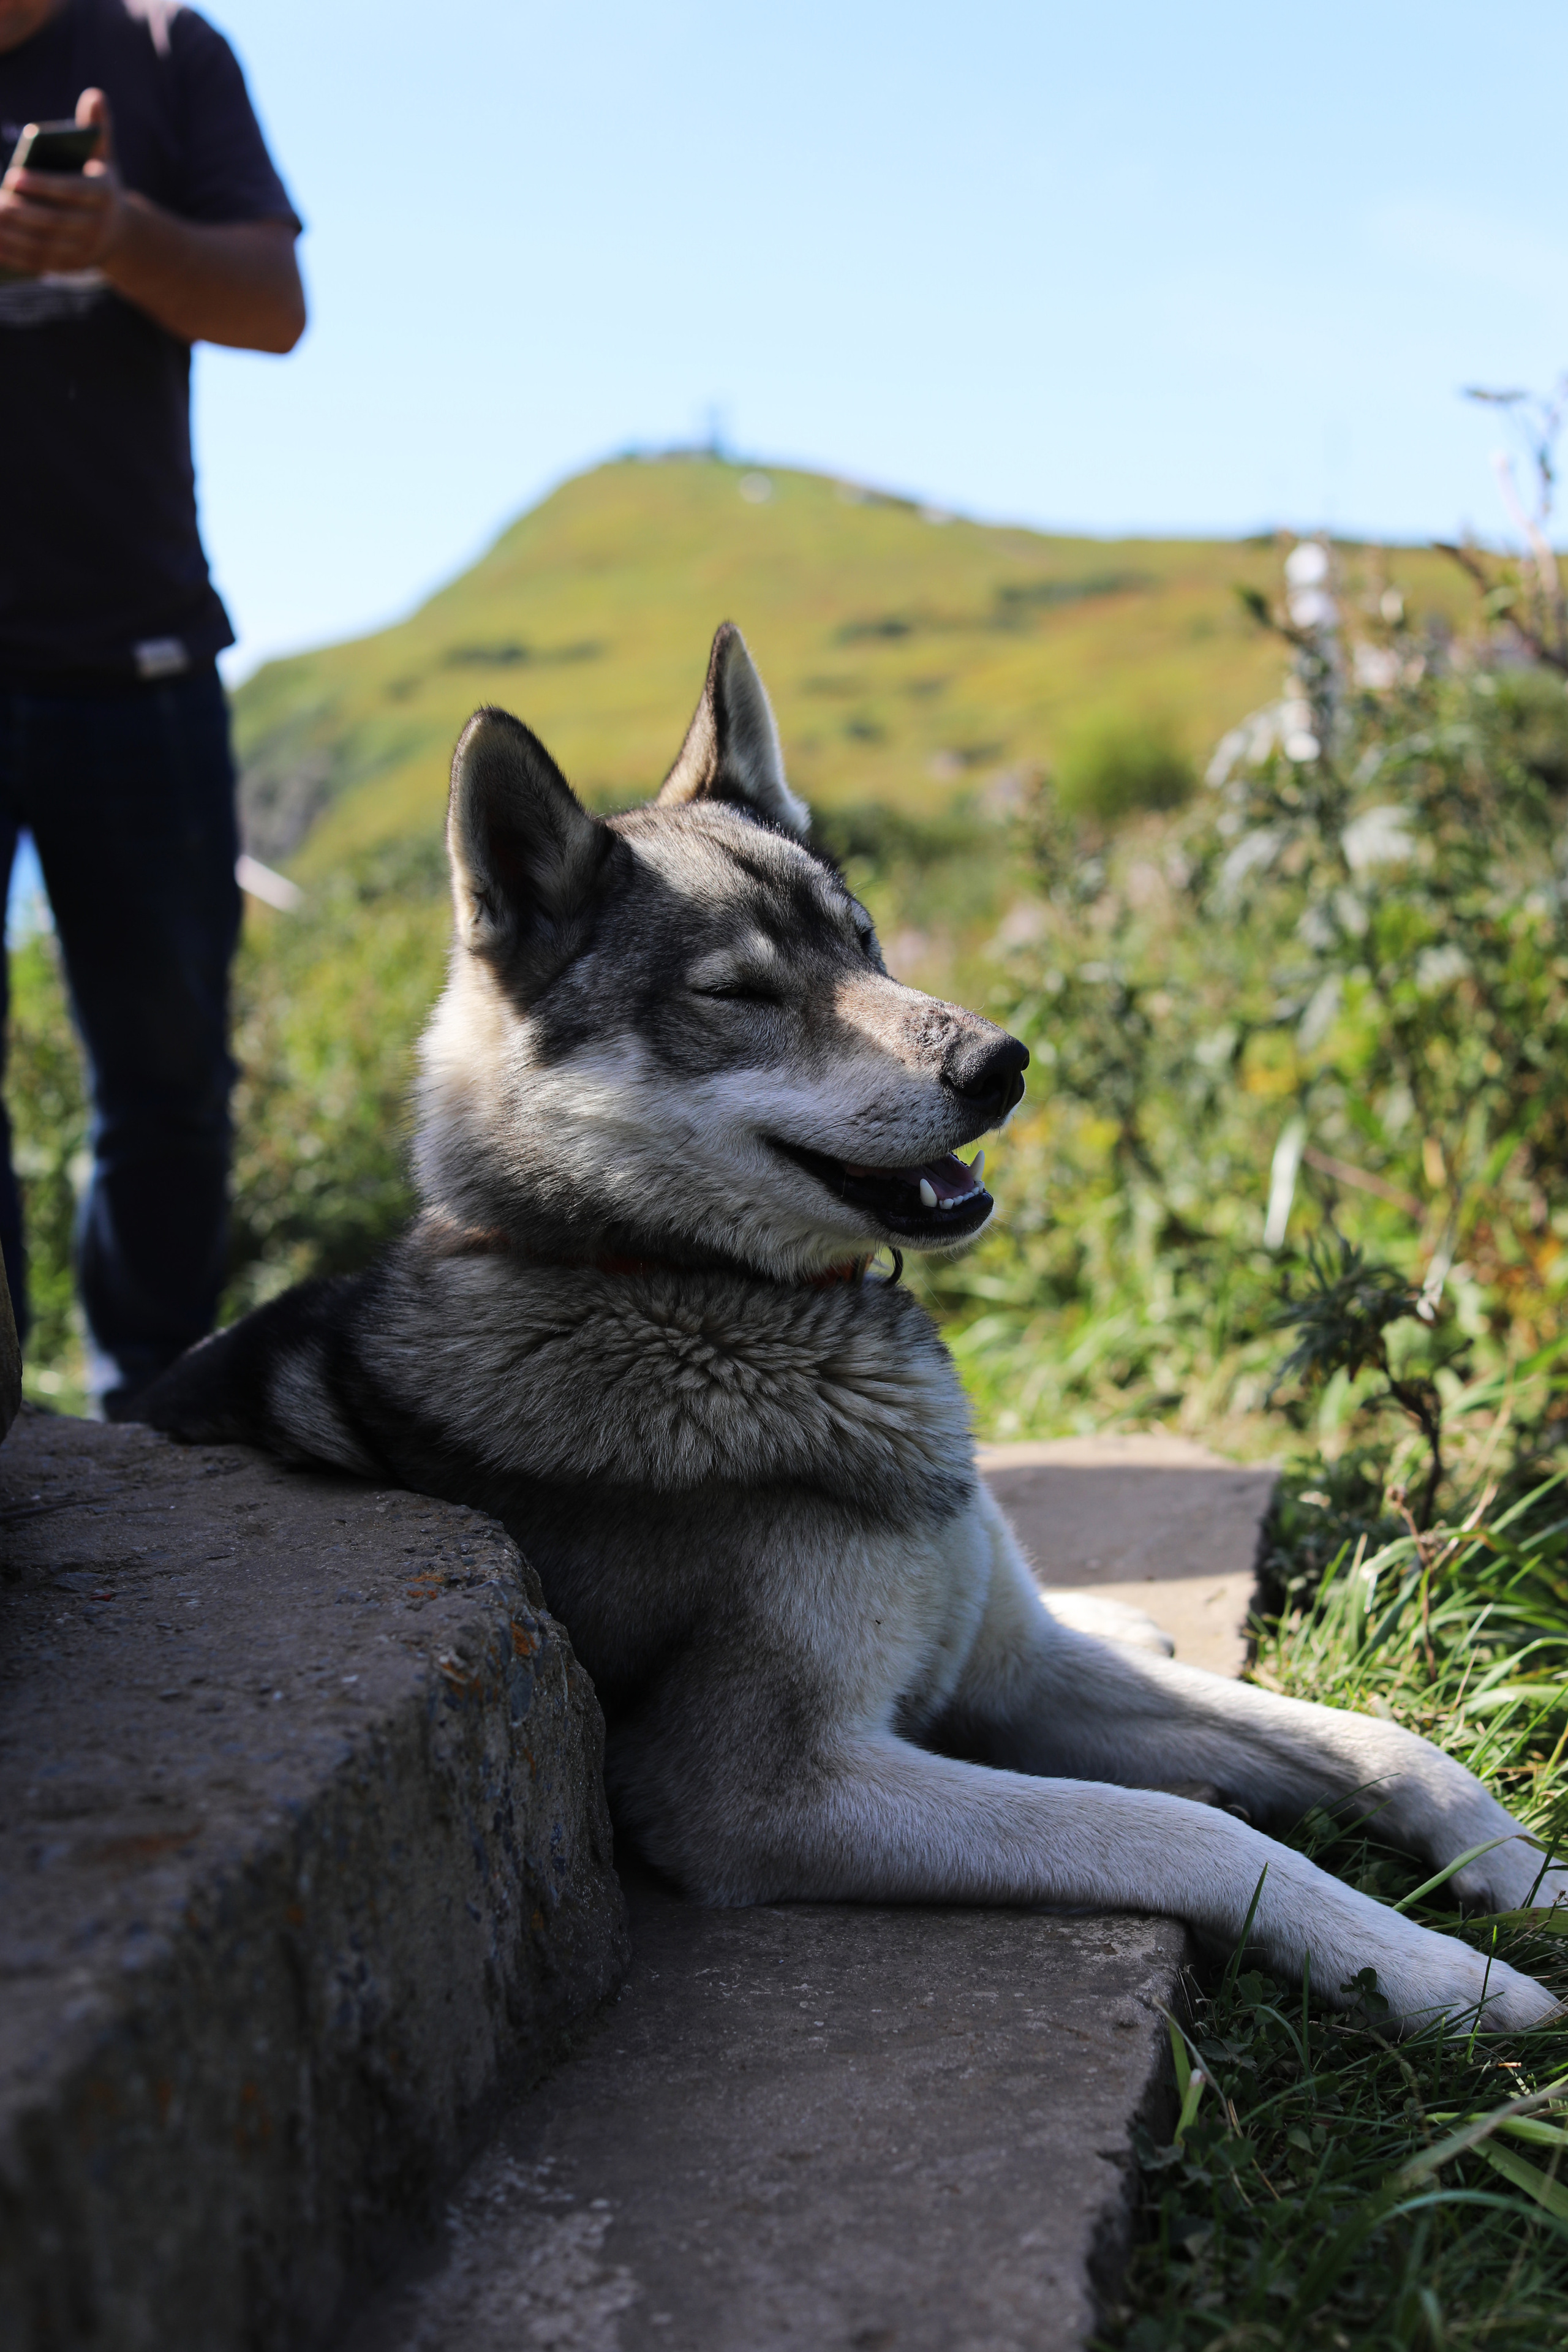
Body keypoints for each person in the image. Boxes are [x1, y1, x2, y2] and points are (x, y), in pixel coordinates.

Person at [0, 0, 303, 1415]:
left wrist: (120, 234)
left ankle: (151, 1422)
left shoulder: (169, 47)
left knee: (169, 1082)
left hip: (146, 673)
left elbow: (273, 306)